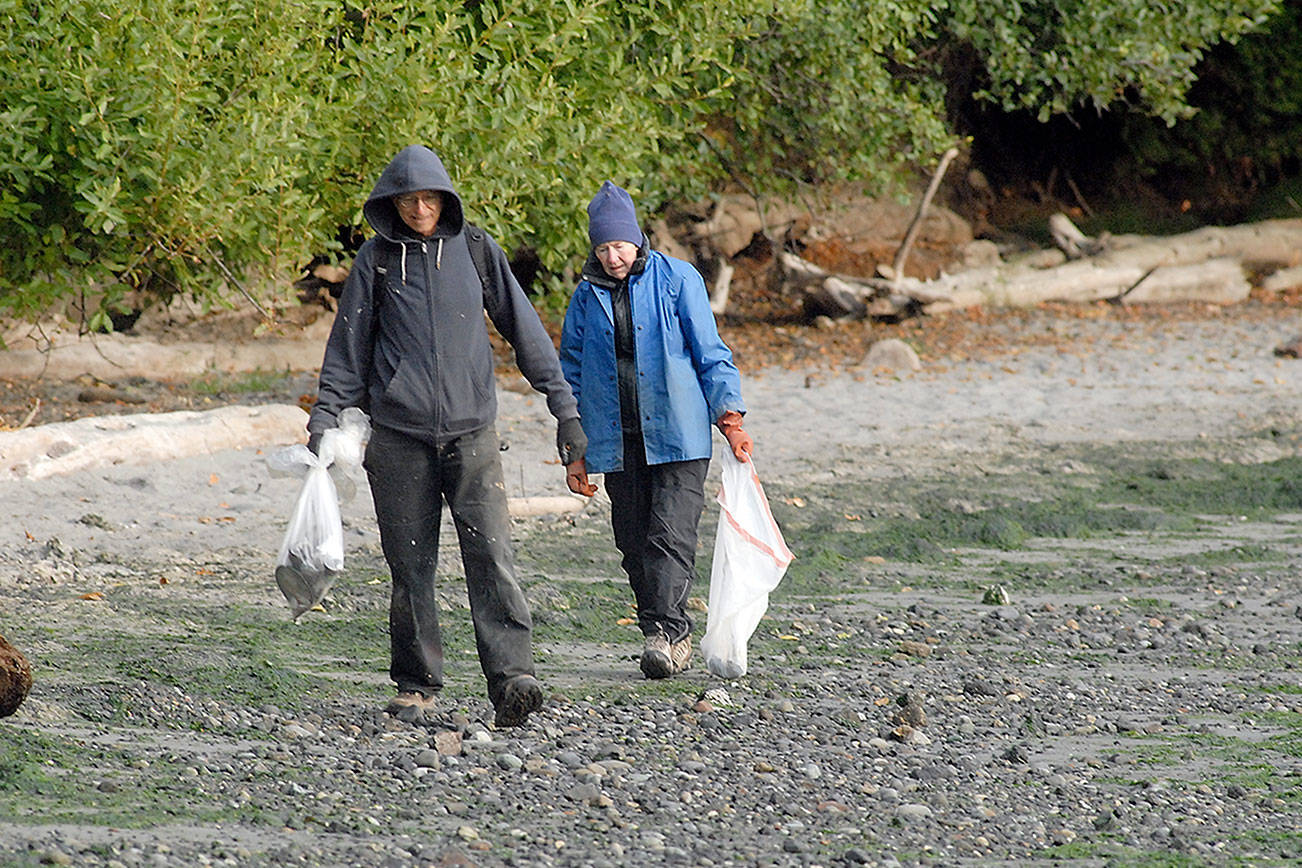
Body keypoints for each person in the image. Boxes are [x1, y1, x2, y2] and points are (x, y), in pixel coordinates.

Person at [307, 144, 587, 727]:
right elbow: (346, 353)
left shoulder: (477, 249)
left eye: (430, 198)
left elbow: (526, 333)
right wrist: (323, 422)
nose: (420, 209)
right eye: (408, 200)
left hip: (473, 435)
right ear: (392, 203)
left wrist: (565, 410)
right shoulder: (375, 261)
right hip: (397, 438)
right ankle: (417, 685)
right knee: (410, 568)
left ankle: (513, 678)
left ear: (446, 199)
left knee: (493, 557)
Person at [559, 181, 753, 679]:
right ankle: (660, 630)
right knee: (633, 542)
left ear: (637, 239)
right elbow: (570, 376)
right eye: (603, 248)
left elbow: (711, 353)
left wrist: (730, 420)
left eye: (620, 246)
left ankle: (669, 635)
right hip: (617, 440)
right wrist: (574, 452)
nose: (613, 257)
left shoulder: (678, 279)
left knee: (669, 534)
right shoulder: (585, 297)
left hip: (679, 434)